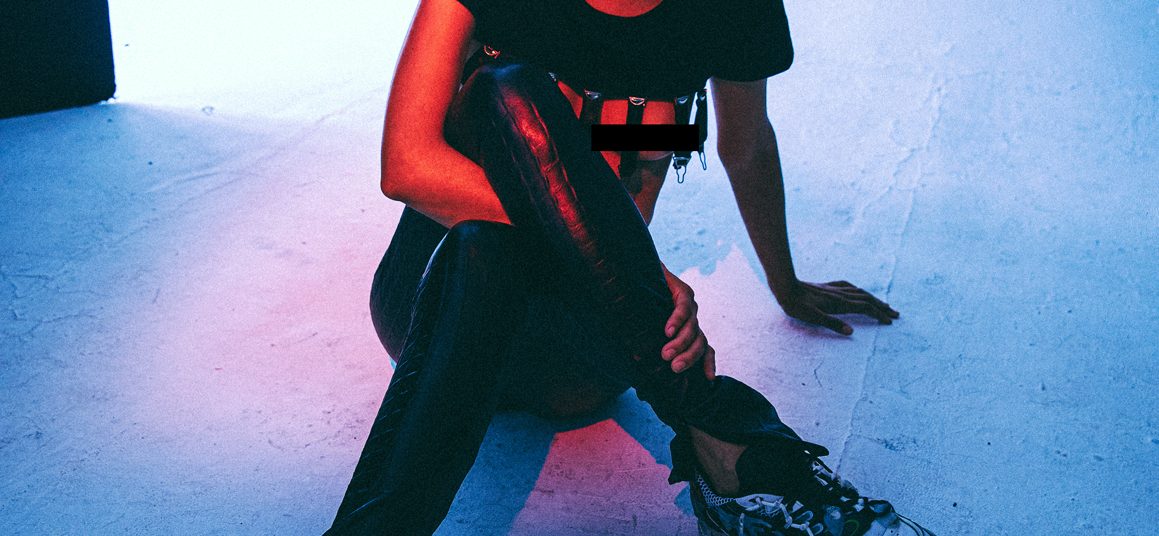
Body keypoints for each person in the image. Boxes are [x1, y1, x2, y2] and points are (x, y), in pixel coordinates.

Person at [325, 0, 935, 534]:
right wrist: (635, 261)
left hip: (578, 352)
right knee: (502, 115)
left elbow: (746, 144)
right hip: (431, 303)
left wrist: (787, 283)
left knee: (493, 228)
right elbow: (406, 165)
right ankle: (726, 441)